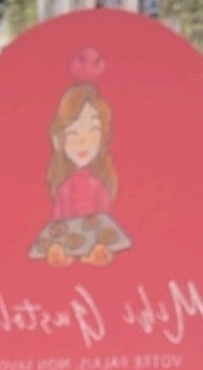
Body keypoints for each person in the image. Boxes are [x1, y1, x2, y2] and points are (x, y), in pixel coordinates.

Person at [28, 49, 132, 267]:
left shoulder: (98, 186)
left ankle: (96, 254)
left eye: (92, 131)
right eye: (73, 133)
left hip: (95, 242)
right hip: (67, 244)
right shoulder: (63, 189)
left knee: (100, 247)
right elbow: (57, 224)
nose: (83, 141)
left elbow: (105, 221)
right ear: (58, 140)